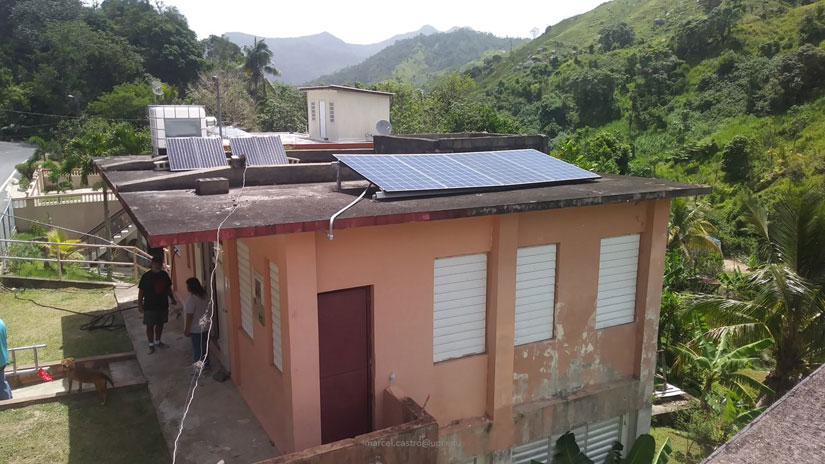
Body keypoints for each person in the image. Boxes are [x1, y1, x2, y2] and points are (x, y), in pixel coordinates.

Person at [138, 255, 177, 354]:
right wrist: (140, 304)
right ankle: (151, 344)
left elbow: (168, 289)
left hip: (162, 304)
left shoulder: (164, 275)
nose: (158, 265)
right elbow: (141, 291)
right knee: (150, 325)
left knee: (160, 324)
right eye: (156, 263)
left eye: (160, 263)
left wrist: (172, 298)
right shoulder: (146, 276)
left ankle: (158, 341)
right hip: (149, 305)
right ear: (152, 264)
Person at [183, 277, 211, 372]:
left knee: (197, 350)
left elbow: (189, 316)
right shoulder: (205, 296)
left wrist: (187, 330)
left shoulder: (191, 300)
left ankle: (199, 369)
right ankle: (206, 365)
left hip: (196, 329)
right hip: (206, 327)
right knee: (204, 348)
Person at [1, 318, 11, 400]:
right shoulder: (1, 322)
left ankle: (6, 402)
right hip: (3, 357)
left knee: (1, 382)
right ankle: (9, 398)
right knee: (2, 379)